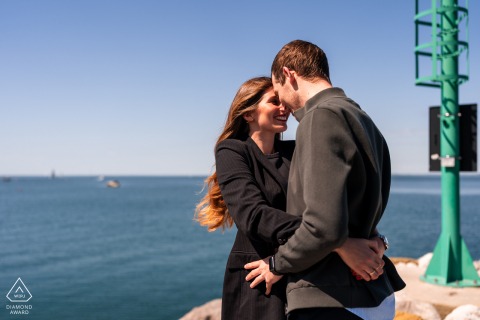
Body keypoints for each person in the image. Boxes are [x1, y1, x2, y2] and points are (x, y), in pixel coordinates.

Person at [196, 76, 388, 320]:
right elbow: (254, 215)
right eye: (274, 102)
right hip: (258, 273)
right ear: (248, 114)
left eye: (282, 101)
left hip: (303, 268)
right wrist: (337, 241)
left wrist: (376, 238)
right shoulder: (232, 151)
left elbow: (332, 202)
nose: (283, 108)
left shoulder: (296, 150)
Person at [245, 40, 406, 320]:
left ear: (289, 74)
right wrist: (379, 241)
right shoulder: (362, 118)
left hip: (333, 298)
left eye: (278, 88)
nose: (281, 102)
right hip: (371, 296)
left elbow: (323, 228)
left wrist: (276, 264)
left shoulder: (319, 117)